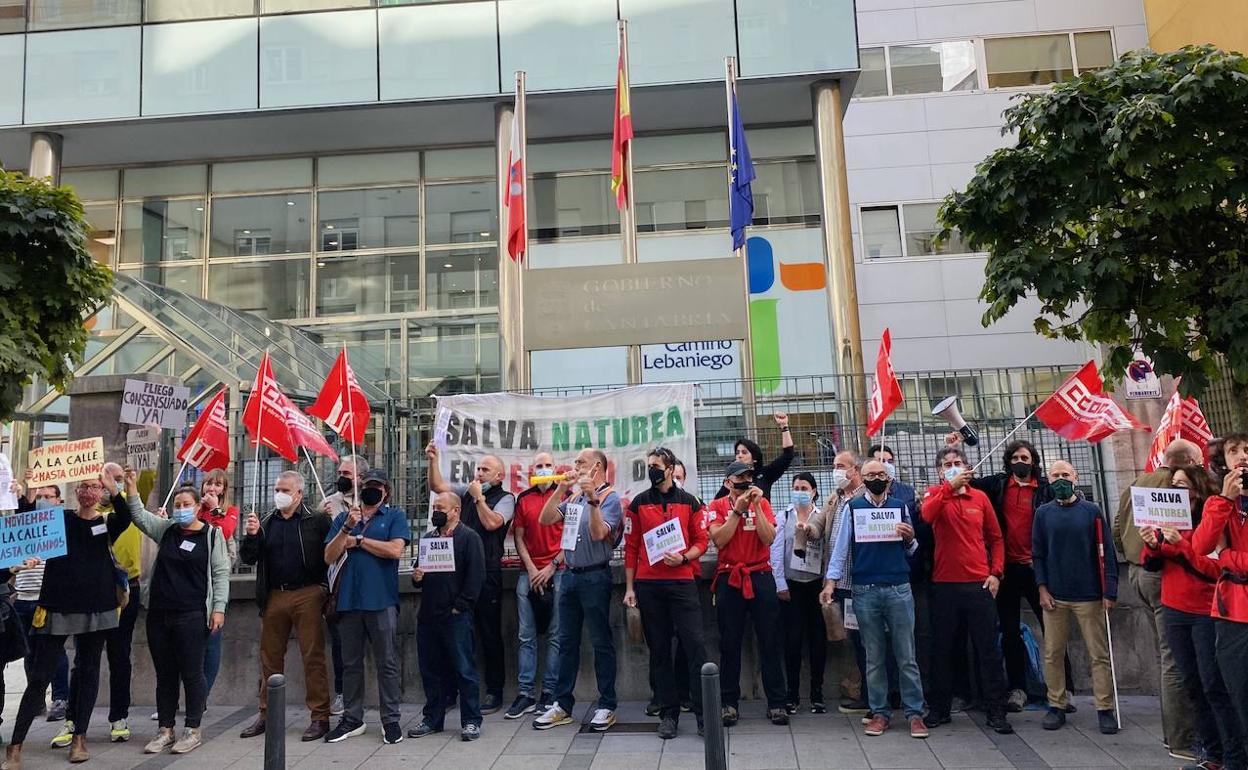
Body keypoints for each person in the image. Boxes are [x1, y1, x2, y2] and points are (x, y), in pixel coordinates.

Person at [3, 473, 131, 768]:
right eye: (84, 486)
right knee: (39, 677)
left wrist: (114, 483)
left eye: (95, 487)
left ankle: (80, 737)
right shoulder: (59, 520)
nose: (89, 492)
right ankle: (16, 745)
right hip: (57, 606)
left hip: (97, 609)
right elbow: (26, 523)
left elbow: (125, 515)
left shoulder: (106, 522)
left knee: (88, 672)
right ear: (76, 490)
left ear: (102, 492)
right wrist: (31, 494)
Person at [114, 475, 229, 756]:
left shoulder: (211, 535)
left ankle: (192, 729)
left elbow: (221, 573)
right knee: (165, 674)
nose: (181, 509)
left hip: (191, 614)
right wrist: (131, 489)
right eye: (177, 504)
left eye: (186, 504)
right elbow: (139, 516)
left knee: (192, 673)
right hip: (160, 613)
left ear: (196, 506)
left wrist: (218, 609)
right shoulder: (167, 530)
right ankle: (165, 729)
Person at [1141, 465, 1245, 770]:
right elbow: (1152, 564)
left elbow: (1211, 567)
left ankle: (1233, 755)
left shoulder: (1212, 519)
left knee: (1215, 686)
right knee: (1192, 684)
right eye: (1173, 484)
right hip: (1175, 609)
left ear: (1198, 490)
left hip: (1205, 611)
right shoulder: (1166, 519)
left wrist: (1180, 546)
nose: (1175, 491)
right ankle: (1211, 754)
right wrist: (1152, 544)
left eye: (1182, 485)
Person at [946, 433, 1059, 712]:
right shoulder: (997, 485)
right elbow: (965, 478)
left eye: (1025, 458)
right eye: (1015, 458)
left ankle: (1061, 691)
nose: (1020, 462)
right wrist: (955, 448)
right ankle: (1017, 689)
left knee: (1053, 631)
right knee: (1009, 631)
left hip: (1037, 569)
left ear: (1034, 462)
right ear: (1008, 462)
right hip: (1005, 570)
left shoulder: (1045, 489)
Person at [820, 459, 926, 738]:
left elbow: (912, 549)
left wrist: (910, 537)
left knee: (906, 655)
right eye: (871, 474)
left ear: (888, 478)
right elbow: (841, 550)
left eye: (881, 474)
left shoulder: (899, 506)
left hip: (898, 588)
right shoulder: (853, 509)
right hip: (864, 590)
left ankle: (915, 713)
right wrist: (830, 582)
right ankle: (879, 712)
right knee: (873, 657)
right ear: (862, 478)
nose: (877, 478)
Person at [1114, 438, 1203, 759]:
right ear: (1188, 463)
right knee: (1174, 657)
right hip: (1164, 572)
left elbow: (1117, 524)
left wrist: (1131, 555)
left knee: (1165, 653)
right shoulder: (1178, 487)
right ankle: (1180, 739)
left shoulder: (1137, 482)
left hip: (1139, 572)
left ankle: (1175, 733)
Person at [921, 447, 1013, 735]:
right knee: (943, 649)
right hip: (944, 584)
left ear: (968, 467)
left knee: (988, 650)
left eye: (958, 463)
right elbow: (926, 516)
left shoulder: (981, 498)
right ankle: (939, 708)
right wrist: (949, 488)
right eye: (947, 464)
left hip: (978, 584)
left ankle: (997, 710)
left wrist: (996, 572)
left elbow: (996, 539)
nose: (953, 467)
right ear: (940, 471)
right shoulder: (934, 494)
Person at [238, 471, 333, 742]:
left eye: (285, 490)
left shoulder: (316, 520)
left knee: (312, 656)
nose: (279, 494)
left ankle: (319, 717)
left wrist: (324, 589)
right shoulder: (267, 521)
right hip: (275, 595)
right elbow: (249, 557)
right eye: (277, 488)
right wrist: (252, 535)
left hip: (308, 593)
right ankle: (266, 714)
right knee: (269, 658)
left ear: (299, 493)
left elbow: (335, 550)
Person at [533, 449, 623, 733]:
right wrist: (561, 487)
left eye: (580, 463)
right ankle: (562, 704)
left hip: (595, 576)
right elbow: (545, 520)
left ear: (597, 467)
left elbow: (599, 534)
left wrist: (593, 501)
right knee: (566, 641)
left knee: (600, 641)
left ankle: (606, 704)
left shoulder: (610, 498)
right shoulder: (574, 497)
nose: (575, 466)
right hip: (569, 576)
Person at [623, 447, 709, 739]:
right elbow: (631, 548)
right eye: (649, 465)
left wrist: (685, 557)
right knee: (659, 650)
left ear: (671, 468)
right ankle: (668, 713)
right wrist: (630, 588)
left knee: (695, 646)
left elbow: (702, 541)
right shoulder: (638, 503)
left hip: (683, 582)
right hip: (649, 586)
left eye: (657, 465)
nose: (652, 470)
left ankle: (702, 713)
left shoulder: (690, 502)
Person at [426, 444, 515, 715]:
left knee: (488, 633)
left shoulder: (506, 498)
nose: (479, 473)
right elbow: (438, 486)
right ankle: (453, 691)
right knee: (455, 635)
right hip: (455, 574)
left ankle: (494, 691)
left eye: (486, 470)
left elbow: (492, 524)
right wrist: (434, 460)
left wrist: (479, 499)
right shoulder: (465, 493)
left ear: (499, 476)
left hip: (486, 574)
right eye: (478, 469)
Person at [323, 468, 410, 745]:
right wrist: (348, 528)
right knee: (350, 664)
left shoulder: (394, 516)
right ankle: (352, 717)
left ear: (386, 492)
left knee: (387, 662)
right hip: (348, 602)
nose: (372, 490)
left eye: (377, 486)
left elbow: (395, 550)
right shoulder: (343, 518)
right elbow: (329, 555)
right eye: (367, 486)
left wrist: (359, 541)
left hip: (381, 600)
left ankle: (391, 720)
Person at [1032, 460, 1119, 735]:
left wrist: (1110, 590)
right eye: (1055, 475)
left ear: (1076, 477)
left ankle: (1104, 707)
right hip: (1055, 596)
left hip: (1090, 595)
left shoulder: (1092, 511)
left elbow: (1107, 552)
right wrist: (1042, 588)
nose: (1060, 480)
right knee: (1052, 653)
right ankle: (1056, 704)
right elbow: (1038, 554)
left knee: (1099, 655)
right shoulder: (1043, 514)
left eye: (1065, 475)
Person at [707, 461, 787, 726]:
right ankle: (729, 702)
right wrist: (737, 512)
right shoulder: (717, 506)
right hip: (730, 578)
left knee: (771, 640)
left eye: (749, 476)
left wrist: (755, 507)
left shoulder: (761, 502)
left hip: (760, 575)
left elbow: (769, 537)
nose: (745, 481)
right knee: (729, 643)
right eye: (740, 477)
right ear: (728, 481)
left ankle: (777, 702)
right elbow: (719, 540)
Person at [409, 492, 486, 742]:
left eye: (441, 507)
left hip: (455, 617)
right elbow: (419, 573)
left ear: (455, 511)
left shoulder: (469, 538)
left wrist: (460, 606)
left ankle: (471, 721)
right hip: (429, 616)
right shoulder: (429, 538)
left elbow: (476, 577)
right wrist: (417, 576)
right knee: (431, 670)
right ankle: (432, 718)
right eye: (434, 507)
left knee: (464, 670)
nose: (436, 512)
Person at [1192, 432, 1248, 767]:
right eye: (1234, 451)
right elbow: (1201, 546)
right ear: (1222, 461)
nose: (1242, 456)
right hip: (1232, 613)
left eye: (1247, 450)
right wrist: (1225, 500)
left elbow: (1223, 556)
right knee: (1234, 694)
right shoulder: (1219, 501)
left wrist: (1229, 558)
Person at [506, 452, 564, 719]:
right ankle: (525, 693)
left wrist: (551, 567)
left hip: (559, 570)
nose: (544, 469)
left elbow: (571, 537)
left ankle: (549, 691)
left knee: (555, 634)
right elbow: (518, 537)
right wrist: (531, 569)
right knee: (525, 635)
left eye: (548, 465)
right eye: (539, 465)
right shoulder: (524, 498)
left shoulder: (565, 494)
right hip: (527, 573)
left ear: (555, 468)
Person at [11, 477, 71, 722]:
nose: (44, 501)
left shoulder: (63, 527)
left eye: (50, 497)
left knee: (54, 651)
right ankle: (35, 699)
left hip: (47, 599)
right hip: (23, 597)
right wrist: (22, 494)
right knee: (29, 653)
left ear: (59, 501)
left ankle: (60, 698)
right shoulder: (24, 525)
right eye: (41, 497)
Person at [772, 472, 828, 714]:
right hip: (792, 586)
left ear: (814, 491)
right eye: (796, 487)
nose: (800, 491)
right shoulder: (783, 516)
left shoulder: (823, 516)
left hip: (817, 586)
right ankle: (792, 694)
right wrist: (779, 583)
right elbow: (775, 551)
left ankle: (817, 693)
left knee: (818, 641)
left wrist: (829, 584)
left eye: (804, 487)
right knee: (792, 642)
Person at [320, 454, 369, 718]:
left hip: (368, 580)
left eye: (347, 474)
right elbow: (325, 545)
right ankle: (342, 693)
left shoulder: (371, 500)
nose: (342, 477)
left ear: (360, 478)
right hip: (339, 583)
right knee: (340, 644)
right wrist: (325, 520)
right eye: (340, 472)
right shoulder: (329, 504)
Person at [824, 450, 870, 714]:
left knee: (868, 642)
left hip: (861, 581)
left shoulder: (865, 498)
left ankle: (873, 695)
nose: (836, 471)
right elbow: (827, 533)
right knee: (854, 641)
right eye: (834, 466)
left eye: (841, 466)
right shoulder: (836, 499)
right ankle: (863, 692)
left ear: (855, 470)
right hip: (841, 582)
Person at [196, 469, 238, 707]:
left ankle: (201, 696)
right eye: (208, 484)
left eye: (217, 485)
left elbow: (225, 532)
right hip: (191, 582)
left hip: (213, 586)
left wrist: (214, 511)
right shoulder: (193, 509)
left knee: (211, 645)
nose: (212, 488)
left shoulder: (229, 512)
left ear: (224, 490)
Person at [714, 412, 795, 501]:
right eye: (737, 453)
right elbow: (716, 504)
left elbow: (788, 455)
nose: (740, 456)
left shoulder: (765, 474)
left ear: (754, 458)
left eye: (744, 452)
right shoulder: (731, 478)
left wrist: (784, 426)